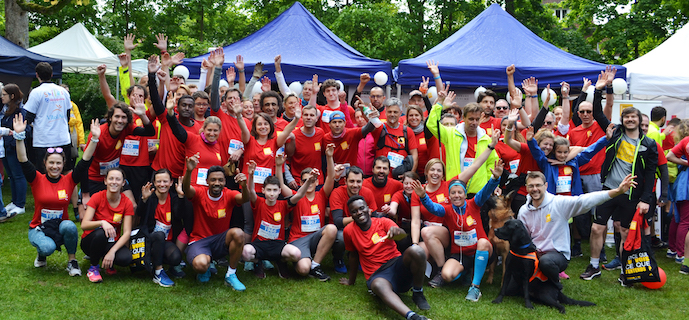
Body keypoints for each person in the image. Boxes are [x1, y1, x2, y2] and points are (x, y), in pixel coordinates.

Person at [581, 102, 658, 283]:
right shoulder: (615, 134)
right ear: (622, 120)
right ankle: (594, 266)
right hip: (609, 190)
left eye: (633, 117)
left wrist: (646, 199)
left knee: (625, 232)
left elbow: (650, 174)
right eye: (626, 117)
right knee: (596, 228)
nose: (630, 119)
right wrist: (602, 88)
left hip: (631, 195)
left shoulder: (649, 144)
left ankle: (625, 270)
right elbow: (598, 113)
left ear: (639, 120)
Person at [519, 171, 637, 288]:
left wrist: (617, 191)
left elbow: (585, 200)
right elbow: (523, 238)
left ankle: (555, 285)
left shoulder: (558, 203)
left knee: (546, 262)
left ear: (546, 186)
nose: (535, 189)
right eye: (531, 186)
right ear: (526, 188)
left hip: (556, 255)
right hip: (534, 253)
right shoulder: (524, 211)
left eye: (538, 185)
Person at [14, 114, 97, 275]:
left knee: (70, 226)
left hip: (60, 226)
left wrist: (93, 139)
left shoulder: (68, 180)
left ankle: (72, 261)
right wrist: (19, 136)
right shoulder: (37, 179)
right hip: (39, 228)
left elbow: (85, 161)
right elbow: (23, 159)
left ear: (63, 164)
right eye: (51, 162)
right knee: (48, 248)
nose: (55, 166)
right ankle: (41, 253)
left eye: (58, 163)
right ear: (45, 163)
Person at [413, 160, 504, 301]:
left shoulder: (474, 204)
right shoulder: (447, 210)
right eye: (453, 193)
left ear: (465, 193)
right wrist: (423, 196)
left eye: (460, 192)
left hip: (480, 250)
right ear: (449, 196)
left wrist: (495, 179)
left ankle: (475, 287)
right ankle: (466, 270)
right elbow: (433, 208)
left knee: (483, 243)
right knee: (447, 275)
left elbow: (486, 191)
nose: (457, 195)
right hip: (461, 255)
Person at [340, 195, 431, 320]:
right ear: (351, 215)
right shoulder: (348, 231)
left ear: (369, 209)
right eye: (354, 211)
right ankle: (413, 317)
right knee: (377, 285)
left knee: (417, 250)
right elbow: (353, 256)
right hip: (377, 274)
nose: (359, 212)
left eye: (361, 208)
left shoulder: (383, 222)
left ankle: (418, 293)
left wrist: (397, 232)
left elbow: (403, 238)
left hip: (396, 264)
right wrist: (351, 280)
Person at [182, 154, 249, 290]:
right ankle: (206, 267)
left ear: (225, 181)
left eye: (220, 180)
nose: (217, 183)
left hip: (220, 241)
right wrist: (189, 171)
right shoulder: (200, 193)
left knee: (238, 233)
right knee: (200, 265)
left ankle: (231, 275)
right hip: (199, 240)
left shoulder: (228, 194)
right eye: (213, 180)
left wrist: (244, 186)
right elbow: (186, 190)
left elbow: (244, 199)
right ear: (207, 181)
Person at [242, 161, 317, 279]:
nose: (272, 194)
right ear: (263, 191)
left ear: (279, 192)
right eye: (269, 190)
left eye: (275, 190)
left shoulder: (283, 205)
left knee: (296, 254)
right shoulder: (259, 203)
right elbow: (251, 191)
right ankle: (258, 262)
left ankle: (281, 261)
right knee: (245, 252)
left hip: (278, 244)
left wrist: (309, 181)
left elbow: (299, 195)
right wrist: (251, 175)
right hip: (259, 244)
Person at [276, 147, 339, 280]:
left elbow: (331, 177)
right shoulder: (296, 196)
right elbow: (281, 185)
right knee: (303, 270)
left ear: (317, 181)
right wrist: (279, 165)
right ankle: (297, 260)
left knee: (332, 229)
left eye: (312, 179)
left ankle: (315, 265)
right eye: (305, 180)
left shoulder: (321, 194)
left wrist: (329, 156)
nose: (309, 182)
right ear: (300, 182)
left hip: (316, 237)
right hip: (299, 239)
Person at [426, 96, 498, 194]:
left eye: (477, 119)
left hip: (478, 192)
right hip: (455, 189)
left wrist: (491, 186)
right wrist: (440, 106)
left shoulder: (486, 139)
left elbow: (492, 165)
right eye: (471, 119)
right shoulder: (450, 133)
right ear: (463, 118)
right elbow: (431, 124)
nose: (474, 122)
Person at [80, 167, 134, 283]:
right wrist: (102, 222)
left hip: (111, 242)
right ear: (105, 181)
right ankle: (93, 268)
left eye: (118, 179)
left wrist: (112, 251)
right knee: (101, 233)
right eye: (111, 179)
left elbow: (127, 232)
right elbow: (84, 224)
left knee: (126, 258)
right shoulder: (97, 197)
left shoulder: (127, 202)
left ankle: (108, 262)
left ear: (123, 183)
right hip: (91, 241)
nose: (114, 182)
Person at [136, 169, 187, 287]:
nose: (162, 184)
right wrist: (144, 200)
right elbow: (139, 213)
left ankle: (157, 263)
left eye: (165, 181)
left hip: (166, 241)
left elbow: (179, 215)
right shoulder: (149, 196)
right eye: (159, 181)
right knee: (159, 235)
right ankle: (158, 272)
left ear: (171, 182)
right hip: (149, 239)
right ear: (154, 182)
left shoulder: (174, 198)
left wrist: (180, 196)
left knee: (176, 258)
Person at [23, 62, 72, 174]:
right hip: (63, 137)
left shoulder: (36, 92)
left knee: (44, 174)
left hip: (43, 140)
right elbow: (67, 114)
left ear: (37, 75)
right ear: (51, 74)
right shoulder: (63, 91)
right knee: (66, 172)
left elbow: (28, 117)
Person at [371, 98, 419, 178]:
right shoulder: (379, 128)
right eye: (389, 112)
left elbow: (414, 155)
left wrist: (409, 175)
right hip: (382, 177)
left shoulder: (407, 131)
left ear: (400, 113)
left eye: (395, 112)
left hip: (401, 177)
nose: (392, 114)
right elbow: (369, 121)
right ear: (385, 112)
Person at [1, 84, 29, 216]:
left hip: (13, 148)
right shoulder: (6, 110)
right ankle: (14, 201)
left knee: (18, 175)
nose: (2, 97)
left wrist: (12, 143)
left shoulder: (20, 112)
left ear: (12, 96)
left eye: (4, 94)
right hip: (6, 148)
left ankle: (20, 204)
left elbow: (25, 130)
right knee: (11, 176)